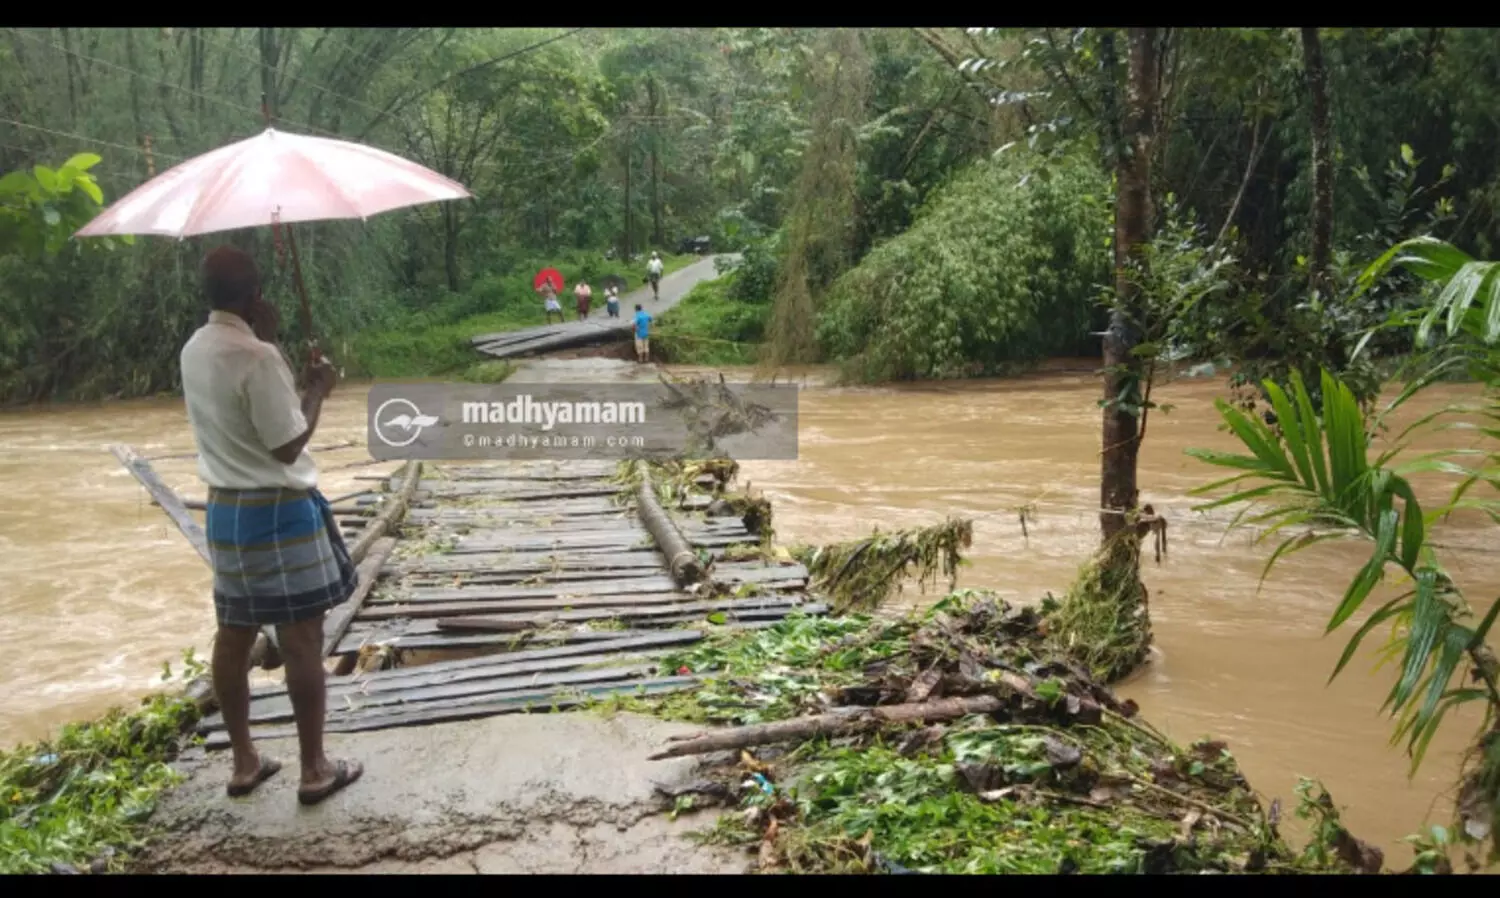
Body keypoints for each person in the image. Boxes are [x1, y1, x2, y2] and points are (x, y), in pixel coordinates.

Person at [179, 245, 363, 806]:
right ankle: (314, 769)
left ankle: (244, 762)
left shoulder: (196, 348)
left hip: (227, 510)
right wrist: (316, 390)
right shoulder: (256, 356)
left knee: (232, 636)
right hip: (278, 512)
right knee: (303, 639)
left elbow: (247, 419)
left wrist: (275, 349)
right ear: (256, 296)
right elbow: (286, 444)